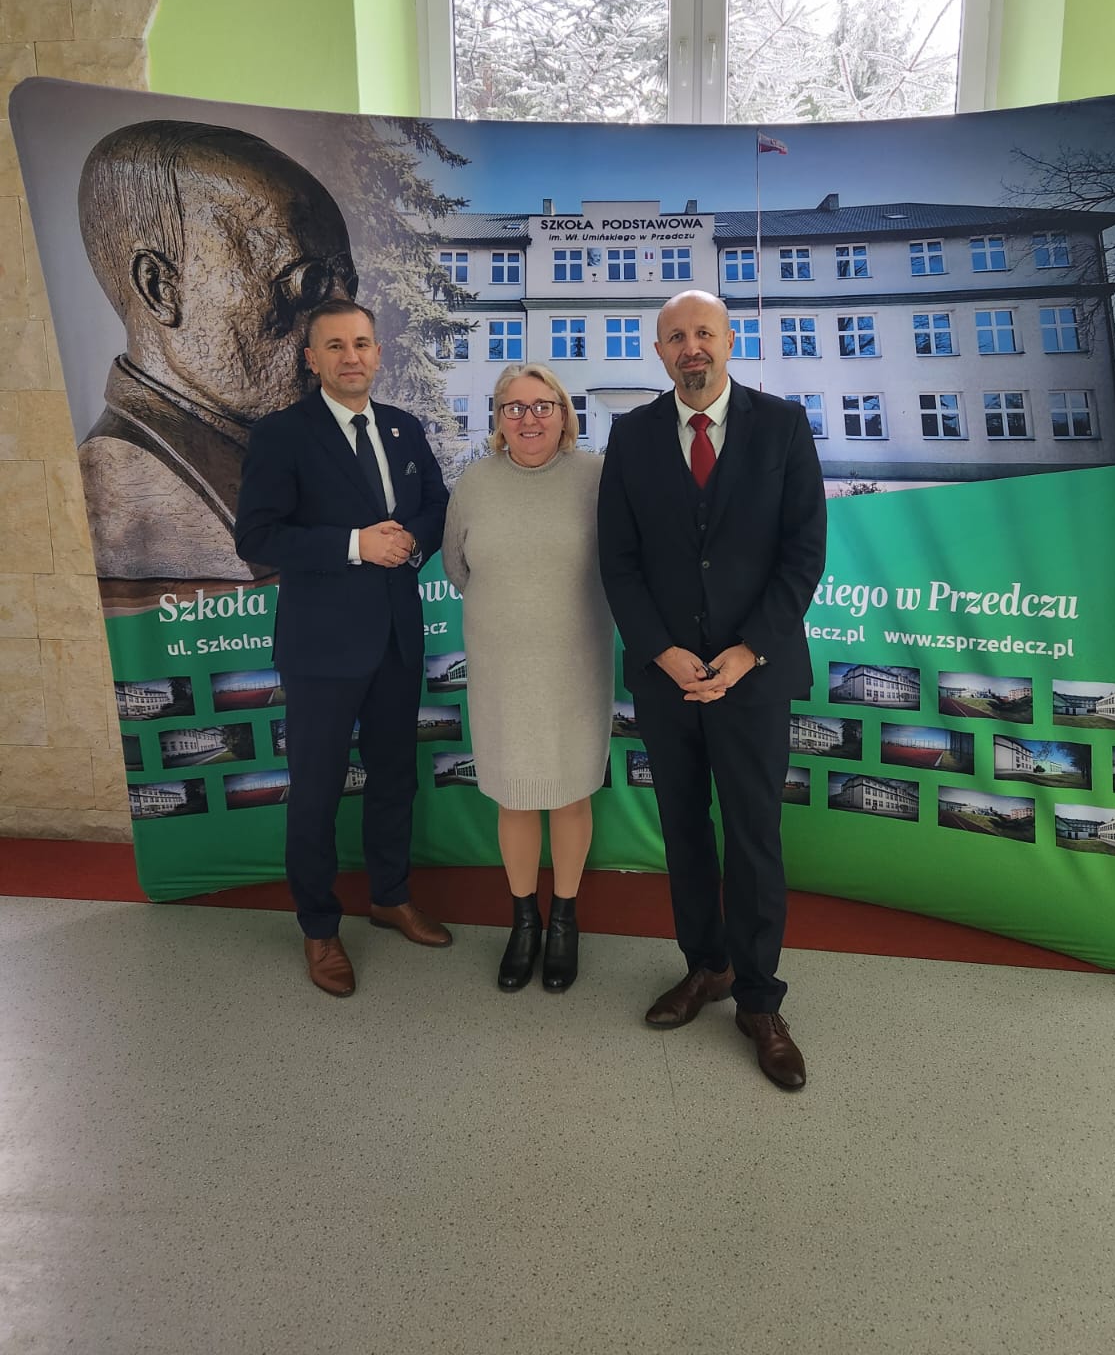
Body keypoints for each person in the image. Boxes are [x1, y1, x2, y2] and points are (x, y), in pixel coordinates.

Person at [597, 290, 826, 1091]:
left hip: (753, 677)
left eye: (704, 333)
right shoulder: (630, 435)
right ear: (659, 351)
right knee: (685, 830)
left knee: (754, 838)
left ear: (729, 341)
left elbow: (803, 554)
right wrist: (660, 651)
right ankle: (707, 965)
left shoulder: (783, 426)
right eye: (675, 337)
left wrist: (748, 651)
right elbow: (618, 560)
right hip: (667, 680)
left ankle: (760, 1001)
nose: (690, 347)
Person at [234, 301, 451, 997]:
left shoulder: (404, 427)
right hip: (322, 648)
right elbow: (256, 537)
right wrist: (357, 544)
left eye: (361, 343)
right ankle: (319, 926)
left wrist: (412, 539)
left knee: (394, 779)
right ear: (312, 359)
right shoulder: (282, 434)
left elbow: (438, 506)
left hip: (396, 638)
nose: (351, 356)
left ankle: (390, 896)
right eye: (335, 345)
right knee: (317, 792)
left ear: (378, 352)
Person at [77, 120, 358, 584]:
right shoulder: (130, 482)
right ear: (160, 290)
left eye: (346, 284)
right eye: (305, 283)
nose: (345, 320)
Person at [441, 363, 610, 994]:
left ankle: (564, 919)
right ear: (498, 420)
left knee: (569, 794)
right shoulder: (474, 483)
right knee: (514, 796)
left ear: (565, 414)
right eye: (514, 408)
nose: (529, 418)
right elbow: (457, 565)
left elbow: (622, 562)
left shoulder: (597, 478)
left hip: (576, 664)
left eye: (543, 406)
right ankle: (524, 921)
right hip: (501, 668)